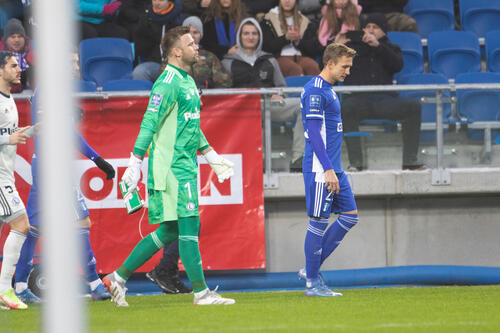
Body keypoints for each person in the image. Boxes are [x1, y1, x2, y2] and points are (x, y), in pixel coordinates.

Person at [103, 26, 236, 306]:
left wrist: (211, 155)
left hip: (185, 165)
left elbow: (191, 126)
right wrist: (134, 163)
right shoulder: (167, 82)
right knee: (190, 226)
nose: (196, 46)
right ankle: (201, 294)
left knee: (169, 232)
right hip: (172, 168)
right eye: (190, 43)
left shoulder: (187, 81)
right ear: (176, 51)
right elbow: (149, 123)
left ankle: (118, 278)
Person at [13, 91, 115, 304]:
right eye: (72, 60)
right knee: (81, 222)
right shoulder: (48, 88)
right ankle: (95, 284)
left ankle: (21, 286)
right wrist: (97, 159)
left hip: (43, 165)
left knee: (33, 229)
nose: (75, 63)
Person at [298, 43, 359, 296]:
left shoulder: (329, 90)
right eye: (345, 66)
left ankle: (310, 270)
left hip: (333, 167)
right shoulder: (315, 90)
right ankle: (312, 283)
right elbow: (313, 133)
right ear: (330, 63)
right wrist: (327, 169)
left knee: (350, 215)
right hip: (321, 168)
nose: (348, 71)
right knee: (319, 222)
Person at [341, 13, 424, 171]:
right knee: (345, 108)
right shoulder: (351, 48)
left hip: (384, 100)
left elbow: (397, 65)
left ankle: (410, 160)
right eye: (367, 27)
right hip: (358, 100)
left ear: (384, 31)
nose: (370, 30)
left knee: (414, 106)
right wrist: (336, 44)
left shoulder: (391, 48)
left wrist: (378, 47)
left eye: (375, 27)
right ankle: (356, 162)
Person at [222, 18, 304, 171]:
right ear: (240, 37)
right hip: (242, 109)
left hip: (268, 105)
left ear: (259, 37)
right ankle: (253, 165)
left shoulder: (269, 59)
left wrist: (279, 95)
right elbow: (224, 92)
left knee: (304, 106)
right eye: (246, 33)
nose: (250, 37)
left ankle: (298, 159)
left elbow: (282, 87)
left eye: (254, 33)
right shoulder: (228, 62)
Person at [0, 51, 33, 310]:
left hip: (6, 172)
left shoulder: (10, 100)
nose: (18, 69)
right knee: (21, 225)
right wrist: (8, 139)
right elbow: (5, 137)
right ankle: (5, 290)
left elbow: (8, 134)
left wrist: (32, 130)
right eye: (13, 66)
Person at [261, 0, 322, 77]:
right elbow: (266, 46)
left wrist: (298, 41)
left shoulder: (304, 20)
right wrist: (285, 38)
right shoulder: (268, 19)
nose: (287, 1)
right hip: (279, 58)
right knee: (294, 69)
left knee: (314, 67)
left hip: (301, 57)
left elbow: (312, 49)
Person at [132, 0, 184, 82]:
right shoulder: (146, 18)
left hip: (178, 65)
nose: (156, 3)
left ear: (169, 2)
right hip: (155, 63)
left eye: (161, 0)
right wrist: (147, 31)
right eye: (154, 0)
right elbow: (140, 49)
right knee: (140, 72)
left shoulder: (180, 18)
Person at [0, 18, 34, 93]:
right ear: (6, 40)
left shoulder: (31, 52)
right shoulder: (1, 56)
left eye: (20, 36)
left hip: (27, 99)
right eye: (13, 37)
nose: (17, 40)